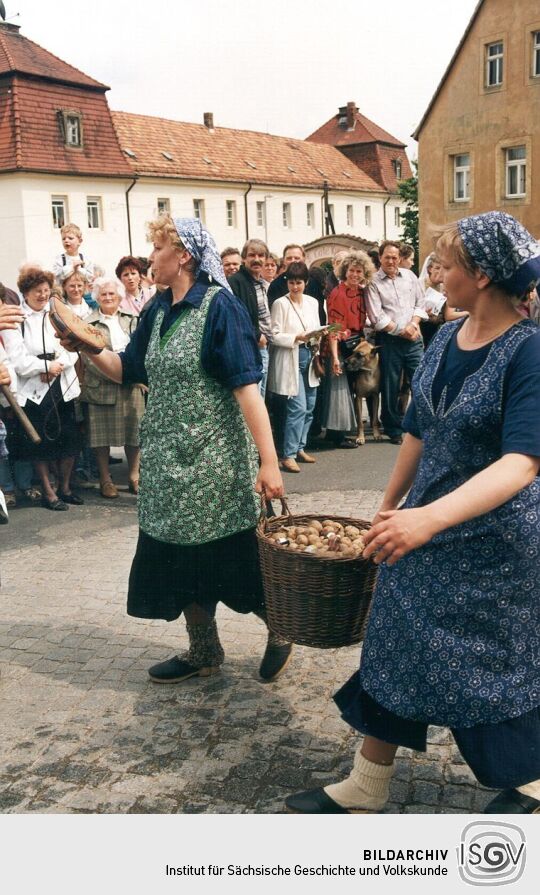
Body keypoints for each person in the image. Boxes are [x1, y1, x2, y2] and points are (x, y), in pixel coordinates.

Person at [286, 211, 540, 816]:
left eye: (445, 265)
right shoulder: (447, 338)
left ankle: (531, 781)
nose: (436, 273)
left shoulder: (529, 351)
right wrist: (389, 508)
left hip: (497, 541)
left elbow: (524, 462)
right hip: (426, 527)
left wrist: (426, 520)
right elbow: (417, 431)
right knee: (394, 635)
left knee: (487, 662)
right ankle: (367, 783)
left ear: (480, 275)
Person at [59, 215, 292, 684]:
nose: (150, 260)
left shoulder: (220, 308)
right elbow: (127, 369)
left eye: (157, 251)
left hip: (215, 464)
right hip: (167, 464)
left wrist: (269, 461)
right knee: (177, 561)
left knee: (235, 561)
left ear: (183, 255)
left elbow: (248, 390)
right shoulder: (158, 309)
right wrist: (84, 346)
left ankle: (280, 628)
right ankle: (204, 651)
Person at [3, 267, 82, 510]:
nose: (43, 295)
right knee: (41, 445)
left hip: (63, 383)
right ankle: (49, 493)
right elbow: (17, 359)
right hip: (36, 388)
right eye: (37, 291)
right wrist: (43, 367)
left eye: (47, 290)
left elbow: (73, 345)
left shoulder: (57, 313)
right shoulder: (17, 321)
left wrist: (58, 365)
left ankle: (65, 488)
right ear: (25, 293)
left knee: (70, 440)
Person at [80, 278, 144, 499]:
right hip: (102, 385)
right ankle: (105, 480)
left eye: (112, 294)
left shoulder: (133, 319)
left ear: (119, 297)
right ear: (97, 298)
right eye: (104, 295)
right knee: (101, 438)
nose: (108, 298)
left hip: (131, 383)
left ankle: (134, 476)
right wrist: (117, 375)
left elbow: (140, 349)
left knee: (134, 433)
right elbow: (88, 359)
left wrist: (132, 374)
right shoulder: (87, 323)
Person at [365, 240, 428, 445]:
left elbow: (421, 303)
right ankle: (392, 428)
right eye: (387, 257)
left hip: (414, 338)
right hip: (390, 340)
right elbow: (377, 317)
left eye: (395, 257)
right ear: (380, 258)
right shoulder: (373, 282)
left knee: (420, 380)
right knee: (391, 384)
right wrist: (403, 331)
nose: (391, 261)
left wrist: (413, 324)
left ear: (400, 258)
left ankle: (421, 423)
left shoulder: (410, 277)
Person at [267, 262, 321, 473]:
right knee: (297, 407)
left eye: (299, 282)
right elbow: (274, 334)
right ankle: (287, 455)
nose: (295, 287)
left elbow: (315, 327)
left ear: (306, 283)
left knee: (309, 405)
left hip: (309, 355)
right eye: (291, 282)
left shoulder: (312, 302)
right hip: (292, 356)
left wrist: (319, 335)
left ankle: (300, 447)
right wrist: (295, 337)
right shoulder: (280, 303)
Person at [322, 251, 375, 449]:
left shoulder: (361, 292)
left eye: (358, 271)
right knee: (339, 389)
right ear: (345, 271)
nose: (354, 274)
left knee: (348, 390)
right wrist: (335, 357)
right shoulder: (338, 293)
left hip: (354, 345)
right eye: (351, 270)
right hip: (339, 346)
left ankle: (341, 431)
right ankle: (337, 435)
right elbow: (333, 327)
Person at [227, 240, 272, 397]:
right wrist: (257, 335)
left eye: (261, 255)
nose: (257, 259)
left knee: (261, 397)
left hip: (264, 347)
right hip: (250, 349)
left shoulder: (261, 283)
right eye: (252, 255)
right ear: (243, 258)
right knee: (254, 398)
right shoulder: (236, 282)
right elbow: (236, 316)